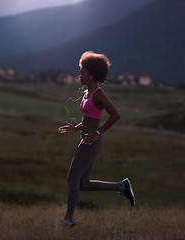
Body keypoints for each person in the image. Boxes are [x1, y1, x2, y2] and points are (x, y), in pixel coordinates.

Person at [58, 51, 135, 227]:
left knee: (72, 179)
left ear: (91, 75)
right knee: (83, 184)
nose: (80, 76)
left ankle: (68, 220)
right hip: (86, 136)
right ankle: (121, 187)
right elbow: (87, 118)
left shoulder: (98, 94)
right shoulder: (87, 93)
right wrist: (75, 128)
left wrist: (99, 133)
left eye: (82, 73)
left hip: (92, 140)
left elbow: (115, 115)